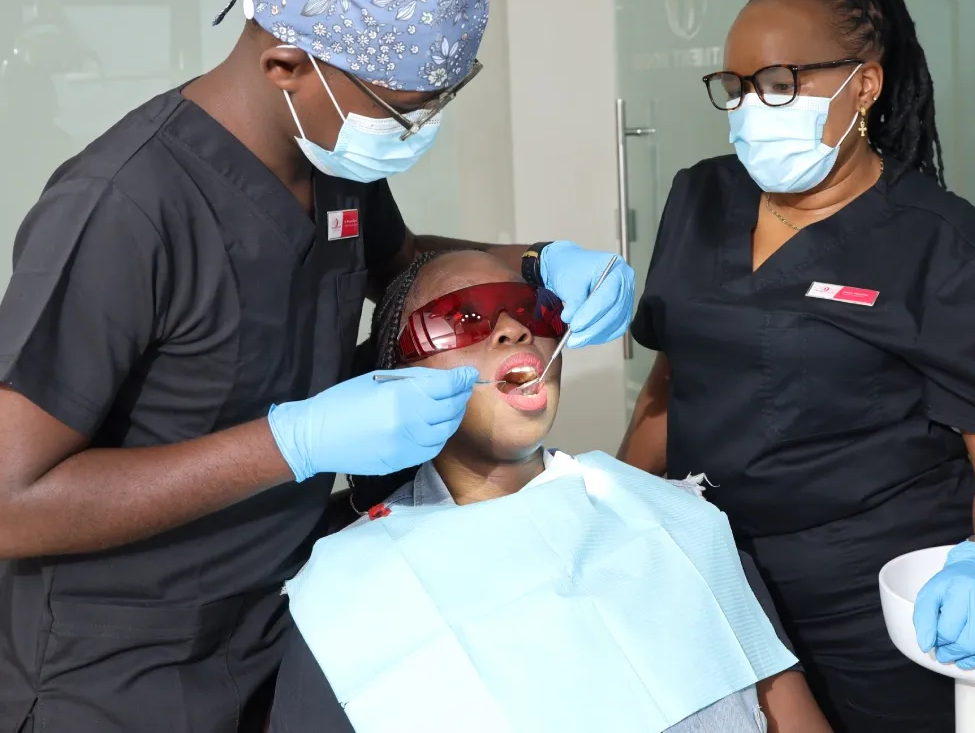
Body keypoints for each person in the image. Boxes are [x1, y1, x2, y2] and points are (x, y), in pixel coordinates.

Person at [0, 0, 635, 733]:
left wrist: (535, 261)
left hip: (281, 618)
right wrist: (291, 444)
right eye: (406, 111)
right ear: (286, 64)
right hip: (115, 670)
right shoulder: (122, 209)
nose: (421, 129)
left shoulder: (329, 162)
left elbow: (401, 266)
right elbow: (11, 503)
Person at [619, 0, 975, 733]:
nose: (754, 106)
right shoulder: (700, 196)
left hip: (873, 590)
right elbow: (672, 379)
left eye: (783, 83)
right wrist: (615, 505)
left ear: (864, 83)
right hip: (716, 573)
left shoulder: (944, 244)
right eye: (738, 86)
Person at [268, 249, 833, 733]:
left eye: (532, 309)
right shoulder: (347, 597)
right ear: (395, 377)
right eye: (463, 319)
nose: (513, 329)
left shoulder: (680, 522)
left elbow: (786, 709)